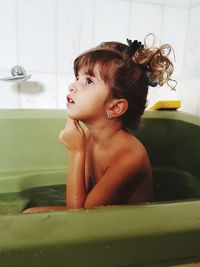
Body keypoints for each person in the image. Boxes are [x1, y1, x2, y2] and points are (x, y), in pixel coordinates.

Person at [23, 33, 175, 213]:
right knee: (29, 213)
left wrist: (76, 151)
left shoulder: (130, 157)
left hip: (131, 229)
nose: (73, 85)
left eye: (88, 81)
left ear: (115, 108)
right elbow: (82, 199)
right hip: (97, 216)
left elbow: (81, 217)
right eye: (77, 77)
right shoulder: (90, 136)